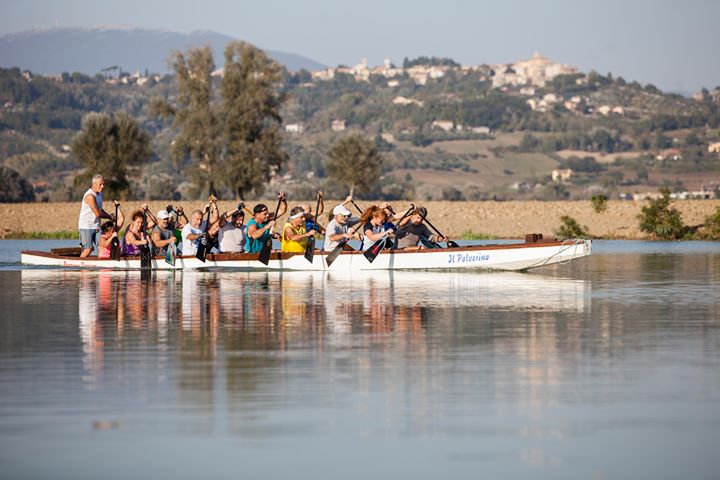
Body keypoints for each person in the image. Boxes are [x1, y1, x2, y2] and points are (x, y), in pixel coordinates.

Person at [78, 174, 113, 257]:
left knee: (102, 245)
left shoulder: (99, 194)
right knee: (89, 249)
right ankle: (79, 266)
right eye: (101, 184)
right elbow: (98, 213)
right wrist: (110, 217)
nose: (103, 186)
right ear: (94, 184)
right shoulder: (90, 196)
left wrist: (110, 216)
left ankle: (104, 262)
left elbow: (100, 209)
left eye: (103, 184)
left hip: (96, 226)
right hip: (86, 226)